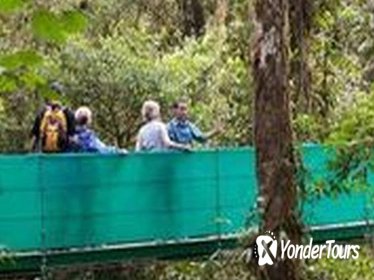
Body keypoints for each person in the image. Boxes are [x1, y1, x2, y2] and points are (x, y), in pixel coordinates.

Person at [30, 82, 75, 153]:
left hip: (46, 155)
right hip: (63, 155)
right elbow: (72, 137)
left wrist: (31, 153)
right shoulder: (68, 112)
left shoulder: (42, 112)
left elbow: (35, 136)